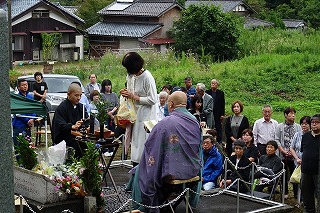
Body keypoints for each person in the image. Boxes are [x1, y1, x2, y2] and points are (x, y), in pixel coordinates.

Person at [128, 91, 202, 212]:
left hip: (172, 171)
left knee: (140, 171)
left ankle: (142, 207)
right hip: (193, 169)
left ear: (171, 104)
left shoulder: (165, 123)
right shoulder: (194, 121)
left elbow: (151, 150)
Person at [120, 52, 157, 166]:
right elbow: (130, 90)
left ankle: (144, 168)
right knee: (134, 142)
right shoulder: (130, 76)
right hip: (134, 114)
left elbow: (153, 99)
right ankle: (135, 166)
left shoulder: (147, 77)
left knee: (143, 143)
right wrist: (126, 93)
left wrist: (135, 97)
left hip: (146, 116)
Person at [52, 83, 88, 158]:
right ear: (68, 94)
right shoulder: (62, 108)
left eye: (80, 95)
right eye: (76, 95)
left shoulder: (81, 107)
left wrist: (83, 124)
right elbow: (59, 125)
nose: (78, 98)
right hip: (65, 137)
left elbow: (86, 120)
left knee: (92, 144)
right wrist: (72, 126)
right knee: (81, 145)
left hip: (80, 135)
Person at [275, 107, 301, 198]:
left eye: (294, 113)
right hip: (283, 155)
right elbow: (276, 139)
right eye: (290, 113)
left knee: (295, 174)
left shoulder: (298, 126)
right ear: (285, 115)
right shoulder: (279, 126)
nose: (293, 115)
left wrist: (292, 152)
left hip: (294, 156)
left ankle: (296, 194)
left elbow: (299, 140)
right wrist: (283, 150)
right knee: (283, 174)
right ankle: (285, 192)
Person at [300, 114, 320, 213]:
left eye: (317, 122)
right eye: (312, 122)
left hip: (318, 172)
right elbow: (303, 151)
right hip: (306, 170)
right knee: (307, 194)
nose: (314, 124)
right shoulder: (305, 136)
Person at [12, 79, 35, 145]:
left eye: (26, 85)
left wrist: (32, 119)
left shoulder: (30, 97)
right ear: (19, 87)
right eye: (23, 85)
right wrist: (27, 120)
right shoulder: (17, 98)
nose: (25, 86)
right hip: (19, 125)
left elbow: (33, 109)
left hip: (28, 125)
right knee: (19, 146)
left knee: (28, 145)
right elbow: (18, 112)